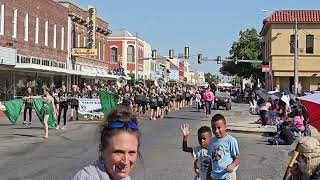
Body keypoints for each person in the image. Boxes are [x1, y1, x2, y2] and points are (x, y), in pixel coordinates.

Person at [73, 106, 141, 180]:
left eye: (132, 152)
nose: (125, 161)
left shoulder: (125, 178)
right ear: (102, 151)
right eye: (118, 152)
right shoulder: (87, 177)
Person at [207, 114, 240, 180]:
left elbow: (237, 159)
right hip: (215, 176)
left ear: (225, 126)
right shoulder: (211, 142)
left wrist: (232, 165)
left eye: (219, 128)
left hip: (227, 176)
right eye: (214, 128)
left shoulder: (230, 140)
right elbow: (211, 160)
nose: (216, 131)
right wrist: (208, 175)